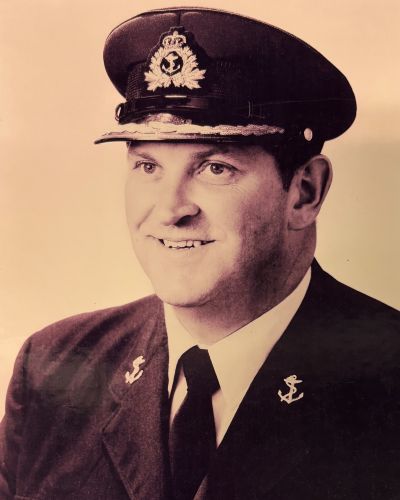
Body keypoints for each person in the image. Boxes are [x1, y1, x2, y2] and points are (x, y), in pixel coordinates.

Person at [0, 7, 399, 500]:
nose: (170, 210)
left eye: (215, 169)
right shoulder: (55, 366)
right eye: (148, 166)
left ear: (304, 193)